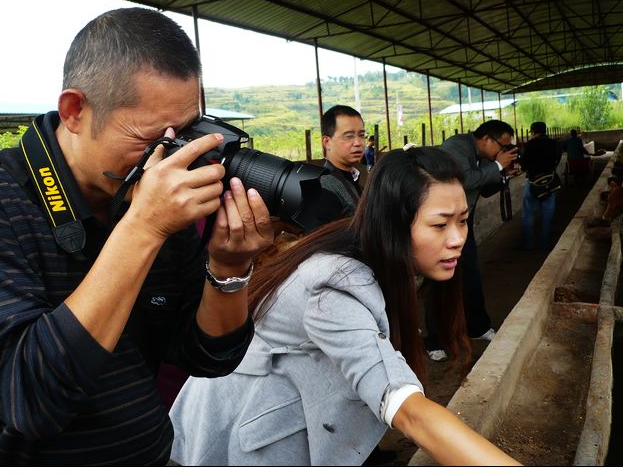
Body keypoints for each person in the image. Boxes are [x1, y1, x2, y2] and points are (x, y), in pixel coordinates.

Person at [0, 7, 274, 466]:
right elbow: (28, 396)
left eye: (185, 133)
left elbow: (207, 357)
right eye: (153, 138)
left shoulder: (149, 193)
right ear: (74, 111)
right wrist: (143, 227)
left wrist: (229, 270)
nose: (170, 156)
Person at [169, 147, 520, 466]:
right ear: (394, 224)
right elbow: (409, 412)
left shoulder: (361, 246)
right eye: (440, 224)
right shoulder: (336, 284)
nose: (457, 238)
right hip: (233, 445)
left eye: (462, 220)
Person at [427, 120, 519, 361]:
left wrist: (503, 174)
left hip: (461, 225)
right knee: (440, 282)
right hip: (440, 226)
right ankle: (435, 340)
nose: (503, 151)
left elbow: (483, 188)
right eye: (502, 146)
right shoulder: (456, 147)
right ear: (486, 139)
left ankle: (477, 327)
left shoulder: (484, 156)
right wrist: (498, 165)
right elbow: (463, 180)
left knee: (471, 277)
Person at [314, 105, 366, 224]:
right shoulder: (323, 189)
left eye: (362, 135)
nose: (358, 143)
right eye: (349, 136)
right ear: (327, 142)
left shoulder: (354, 180)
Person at [520, 121, 563, 251]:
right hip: (550, 183)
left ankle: (528, 246)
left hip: (533, 183)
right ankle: (545, 245)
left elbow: (523, 165)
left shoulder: (530, 145)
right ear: (545, 131)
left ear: (533, 132)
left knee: (528, 216)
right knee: (547, 217)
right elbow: (558, 157)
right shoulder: (554, 143)